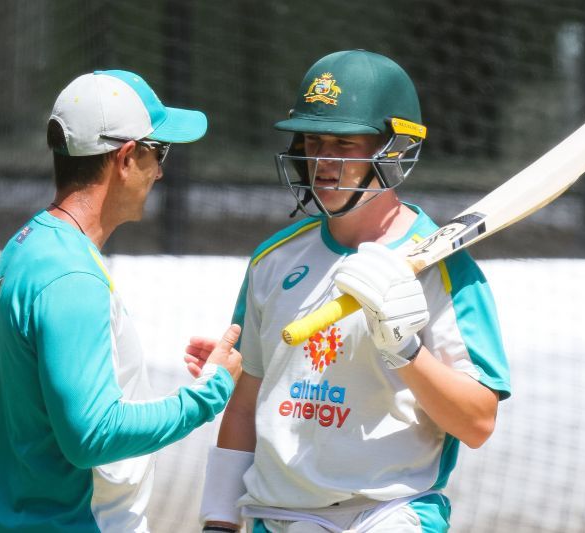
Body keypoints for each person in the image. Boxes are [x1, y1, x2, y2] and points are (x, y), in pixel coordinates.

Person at [189, 50, 511, 532]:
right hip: (276, 515)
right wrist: (218, 519)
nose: (321, 160)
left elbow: (477, 423)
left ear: (394, 149)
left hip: (389, 514)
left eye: (343, 142)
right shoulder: (272, 261)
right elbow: (246, 400)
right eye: (313, 140)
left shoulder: (446, 270)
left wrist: (406, 349)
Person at [0, 69, 242, 532]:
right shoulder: (71, 276)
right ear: (126, 158)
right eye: (159, 153)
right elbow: (92, 436)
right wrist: (207, 394)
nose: (160, 170)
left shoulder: (29, 245)